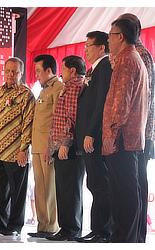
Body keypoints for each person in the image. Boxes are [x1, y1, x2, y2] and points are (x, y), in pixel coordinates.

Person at [103, 18, 148, 243]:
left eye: (110, 35)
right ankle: (125, 238)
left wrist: (110, 134)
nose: (108, 39)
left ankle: (125, 240)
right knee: (126, 191)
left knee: (124, 192)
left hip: (121, 138)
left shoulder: (127, 60)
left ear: (120, 36)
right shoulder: (132, 57)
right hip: (128, 137)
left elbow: (121, 104)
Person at [0, 57, 35, 236]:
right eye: (8, 71)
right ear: (4, 72)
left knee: (17, 193)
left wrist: (23, 149)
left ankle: (15, 226)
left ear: (21, 73)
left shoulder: (26, 94)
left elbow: (28, 122)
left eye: (15, 71)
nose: (11, 74)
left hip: (15, 152)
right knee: (0, 192)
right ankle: (2, 223)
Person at [117, 13, 155, 243]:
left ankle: (135, 236)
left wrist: (146, 133)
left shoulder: (138, 55)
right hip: (138, 131)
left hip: (139, 132)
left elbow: (144, 100)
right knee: (131, 183)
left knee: (135, 184)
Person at [75, 31, 112, 243]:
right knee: (94, 184)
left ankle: (102, 230)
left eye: (89, 45)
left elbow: (100, 104)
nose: (86, 49)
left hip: (95, 137)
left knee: (100, 184)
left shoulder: (105, 67)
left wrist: (91, 132)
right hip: (87, 136)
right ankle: (96, 228)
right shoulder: (93, 69)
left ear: (101, 48)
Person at [46, 56, 86, 241]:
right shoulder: (69, 87)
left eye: (63, 69)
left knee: (70, 190)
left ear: (72, 70)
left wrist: (65, 143)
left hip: (68, 148)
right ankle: (67, 228)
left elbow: (72, 117)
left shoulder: (74, 87)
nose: (60, 72)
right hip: (61, 145)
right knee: (64, 189)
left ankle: (70, 229)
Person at [27, 54, 62, 238]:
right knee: (40, 187)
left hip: (48, 147)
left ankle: (51, 226)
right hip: (37, 146)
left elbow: (57, 119)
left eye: (39, 71)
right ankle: (42, 225)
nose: (37, 75)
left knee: (50, 188)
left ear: (49, 70)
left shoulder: (58, 87)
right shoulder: (43, 89)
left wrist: (52, 145)